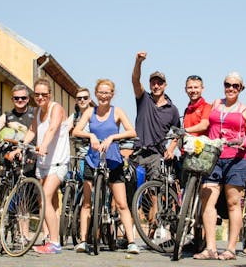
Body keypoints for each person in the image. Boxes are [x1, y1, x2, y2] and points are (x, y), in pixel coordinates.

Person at [194, 72, 246, 261]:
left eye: (235, 86)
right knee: (207, 199)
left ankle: (230, 249)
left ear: (241, 89)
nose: (230, 88)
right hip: (213, 158)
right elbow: (205, 124)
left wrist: (242, 140)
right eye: (227, 84)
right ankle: (211, 248)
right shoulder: (216, 104)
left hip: (237, 160)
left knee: (233, 203)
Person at [72, 79, 139, 254]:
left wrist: (112, 138)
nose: (103, 96)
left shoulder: (117, 111)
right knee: (86, 203)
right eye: (100, 92)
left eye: (107, 92)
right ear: (96, 94)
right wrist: (91, 136)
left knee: (122, 204)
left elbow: (131, 131)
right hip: (93, 159)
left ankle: (131, 242)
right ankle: (83, 240)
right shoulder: (89, 112)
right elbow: (76, 131)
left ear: (112, 94)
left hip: (113, 160)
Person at [19, 78, 70, 254]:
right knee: (46, 201)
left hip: (58, 162)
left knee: (45, 196)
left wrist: (45, 145)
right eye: (37, 94)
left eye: (44, 94)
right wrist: (22, 146)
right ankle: (49, 237)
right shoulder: (37, 111)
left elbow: (52, 128)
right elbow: (32, 131)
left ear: (50, 95)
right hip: (43, 163)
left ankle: (55, 243)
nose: (40, 97)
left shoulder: (56, 108)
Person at [131, 51, 181, 182]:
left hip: (156, 155)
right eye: (153, 83)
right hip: (138, 151)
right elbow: (135, 80)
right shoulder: (143, 99)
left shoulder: (172, 109)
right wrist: (138, 62)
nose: (156, 86)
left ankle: (155, 203)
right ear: (149, 85)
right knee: (133, 191)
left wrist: (170, 149)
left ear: (165, 85)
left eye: (160, 83)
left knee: (154, 192)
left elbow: (178, 133)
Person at [0, 84, 34, 156]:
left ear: (28, 99)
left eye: (23, 98)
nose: (20, 100)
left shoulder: (35, 113)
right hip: (11, 158)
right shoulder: (7, 116)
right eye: (16, 98)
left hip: (32, 156)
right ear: (12, 99)